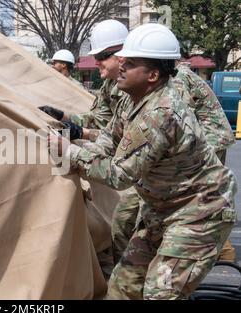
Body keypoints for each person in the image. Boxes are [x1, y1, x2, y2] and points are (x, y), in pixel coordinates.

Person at [50, 23, 237, 299]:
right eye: (122, 60)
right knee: (123, 287)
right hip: (163, 206)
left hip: (199, 211)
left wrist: (69, 152)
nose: (121, 67)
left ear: (152, 74)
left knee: (159, 293)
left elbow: (119, 175)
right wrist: (75, 138)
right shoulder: (131, 97)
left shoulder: (161, 112)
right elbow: (109, 138)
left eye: (131, 63)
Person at [111, 47, 238, 266]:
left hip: (208, 142)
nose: (121, 62)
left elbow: (164, 127)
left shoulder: (173, 83)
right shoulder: (136, 83)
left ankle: (214, 253)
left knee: (196, 199)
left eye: (128, 60)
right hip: (192, 143)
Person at [40, 20, 129, 141]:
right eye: (95, 57)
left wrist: (81, 133)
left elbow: (121, 139)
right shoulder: (109, 83)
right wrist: (63, 117)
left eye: (101, 57)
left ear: (122, 55)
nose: (96, 62)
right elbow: (99, 119)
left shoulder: (136, 89)